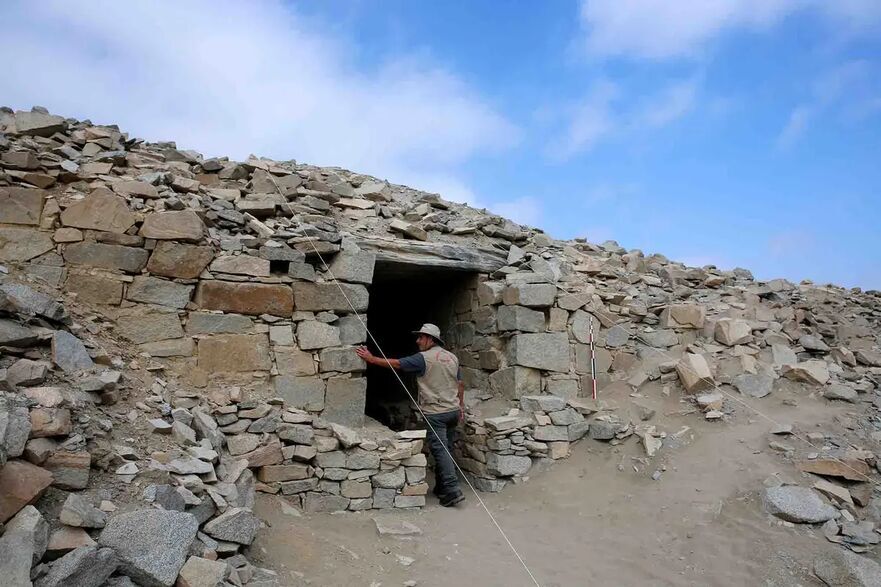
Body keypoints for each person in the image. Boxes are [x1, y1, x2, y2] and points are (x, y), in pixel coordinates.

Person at [356, 323, 466, 507]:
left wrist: (371, 359)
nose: (417, 341)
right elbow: (460, 384)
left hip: (436, 413)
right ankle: (441, 488)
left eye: (421, 337)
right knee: (447, 448)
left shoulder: (423, 358)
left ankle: (452, 490)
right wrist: (460, 405)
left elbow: (398, 363)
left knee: (441, 450)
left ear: (430, 339)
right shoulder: (452, 357)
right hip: (453, 411)